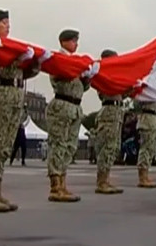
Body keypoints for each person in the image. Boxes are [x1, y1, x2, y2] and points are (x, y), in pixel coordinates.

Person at [0, 9, 41, 213]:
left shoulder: (11, 47)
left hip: (14, 96)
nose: (7, 25)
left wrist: (34, 63)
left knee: (5, 146)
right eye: (3, 22)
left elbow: (24, 72)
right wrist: (17, 57)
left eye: (8, 22)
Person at [46, 29, 91, 202]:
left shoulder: (75, 62)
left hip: (75, 107)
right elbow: (60, 76)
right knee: (59, 145)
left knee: (70, 146)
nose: (76, 44)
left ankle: (63, 183)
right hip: (62, 105)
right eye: (73, 41)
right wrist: (77, 70)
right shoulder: (59, 59)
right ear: (63, 41)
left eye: (76, 41)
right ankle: (55, 186)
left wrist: (86, 77)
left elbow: (81, 87)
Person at [94, 49, 127, 194]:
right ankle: (101, 181)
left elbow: (121, 93)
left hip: (117, 112)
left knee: (113, 147)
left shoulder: (115, 75)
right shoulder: (103, 74)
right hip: (109, 111)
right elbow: (105, 92)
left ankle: (106, 179)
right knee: (107, 147)